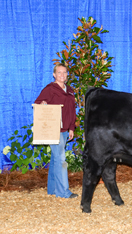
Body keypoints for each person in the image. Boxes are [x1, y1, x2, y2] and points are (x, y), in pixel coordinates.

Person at [34, 64, 78, 198]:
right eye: (59, 72)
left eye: (64, 72)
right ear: (54, 74)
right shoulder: (49, 89)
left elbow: (72, 110)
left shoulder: (69, 90)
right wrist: (42, 105)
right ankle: (63, 192)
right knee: (60, 159)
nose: (62, 75)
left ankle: (52, 189)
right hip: (54, 129)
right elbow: (37, 104)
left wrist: (71, 127)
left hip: (65, 129)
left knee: (55, 159)